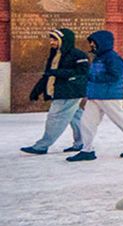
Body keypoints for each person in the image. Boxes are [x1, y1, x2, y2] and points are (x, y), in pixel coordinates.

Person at [69, 30, 123, 161]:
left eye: (93, 42)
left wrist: (91, 76)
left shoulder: (112, 57)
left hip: (109, 95)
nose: (91, 45)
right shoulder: (100, 57)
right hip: (96, 95)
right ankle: (87, 150)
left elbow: (114, 75)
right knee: (86, 122)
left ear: (102, 42)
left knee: (120, 120)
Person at [21, 27, 89, 155]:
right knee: (76, 118)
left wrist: (58, 73)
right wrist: (37, 90)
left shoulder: (78, 55)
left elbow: (82, 72)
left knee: (55, 118)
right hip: (61, 91)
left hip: (70, 92)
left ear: (64, 40)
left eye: (54, 39)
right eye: (51, 39)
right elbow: (48, 75)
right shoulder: (55, 54)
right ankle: (82, 143)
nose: (51, 42)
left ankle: (41, 146)